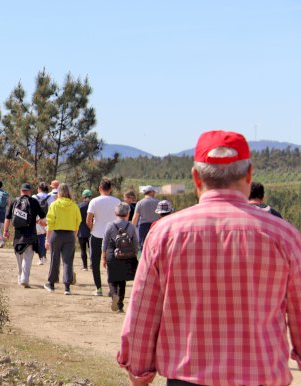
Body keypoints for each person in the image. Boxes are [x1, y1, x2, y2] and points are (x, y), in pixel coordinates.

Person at [118, 130, 301, 386]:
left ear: (196, 177)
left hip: (186, 380)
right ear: (249, 174)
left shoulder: (165, 234)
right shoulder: (284, 236)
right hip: (261, 378)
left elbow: (142, 312)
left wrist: (139, 372)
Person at [3, 183, 44, 288]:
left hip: (18, 236)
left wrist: (5, 231)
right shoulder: (34, 202)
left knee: (19, 257)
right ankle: (24, 279)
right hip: (30, 235)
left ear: (21, 191)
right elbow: (43, 217)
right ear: (30, 191)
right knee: (28, 257)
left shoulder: (14, 201)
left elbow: (7, 218)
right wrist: (40, 222)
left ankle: (19, 277)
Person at [86, 178, 121, 296]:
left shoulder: (94, 201)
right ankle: (112, 289)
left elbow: (88, 219)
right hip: (112, 235)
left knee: (95, 262)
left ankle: (98, 288)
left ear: (99, 188)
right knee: (112, 262)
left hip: (97, 234)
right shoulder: (117, 201)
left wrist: (92, 228)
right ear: (110, 189)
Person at [44, 183, 81, 295]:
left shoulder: (54, 205)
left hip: (56, 234)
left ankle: (51, 283)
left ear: (59, 192)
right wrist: (74, 236)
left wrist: (47, 239)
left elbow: (50, 223)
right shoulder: (74, 206)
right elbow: (77, 222)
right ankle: (67, 287)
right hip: (69, 235)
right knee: (68, 261)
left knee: (54, 259)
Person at [103, 202, 139, 312]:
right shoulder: (131, 226)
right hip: (126, 255)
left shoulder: (110, 225)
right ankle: (120, 306)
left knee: (112, 278)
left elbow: (104, 241)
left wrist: (103, 257)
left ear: (115, 213)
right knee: (122, 281)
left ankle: (114, 294)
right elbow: (136, 243)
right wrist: (134, 255)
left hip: (112, 253)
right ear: (128, 213)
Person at [33, 182, 53, 265]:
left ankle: (42, 257)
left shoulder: (34, 197)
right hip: (47, 219)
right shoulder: (50, 197)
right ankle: (44, 256)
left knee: (40, 238)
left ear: (39, 188)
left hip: (37, 220)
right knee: (46, 238)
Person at [77, 189, 93, 271]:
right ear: (90, 196)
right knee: (92, 249)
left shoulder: (79, 206)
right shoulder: (93, 205)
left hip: (81, 231)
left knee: (83, 249)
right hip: (92, 231)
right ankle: (92, 265)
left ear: (83, 196)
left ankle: (85, 266)